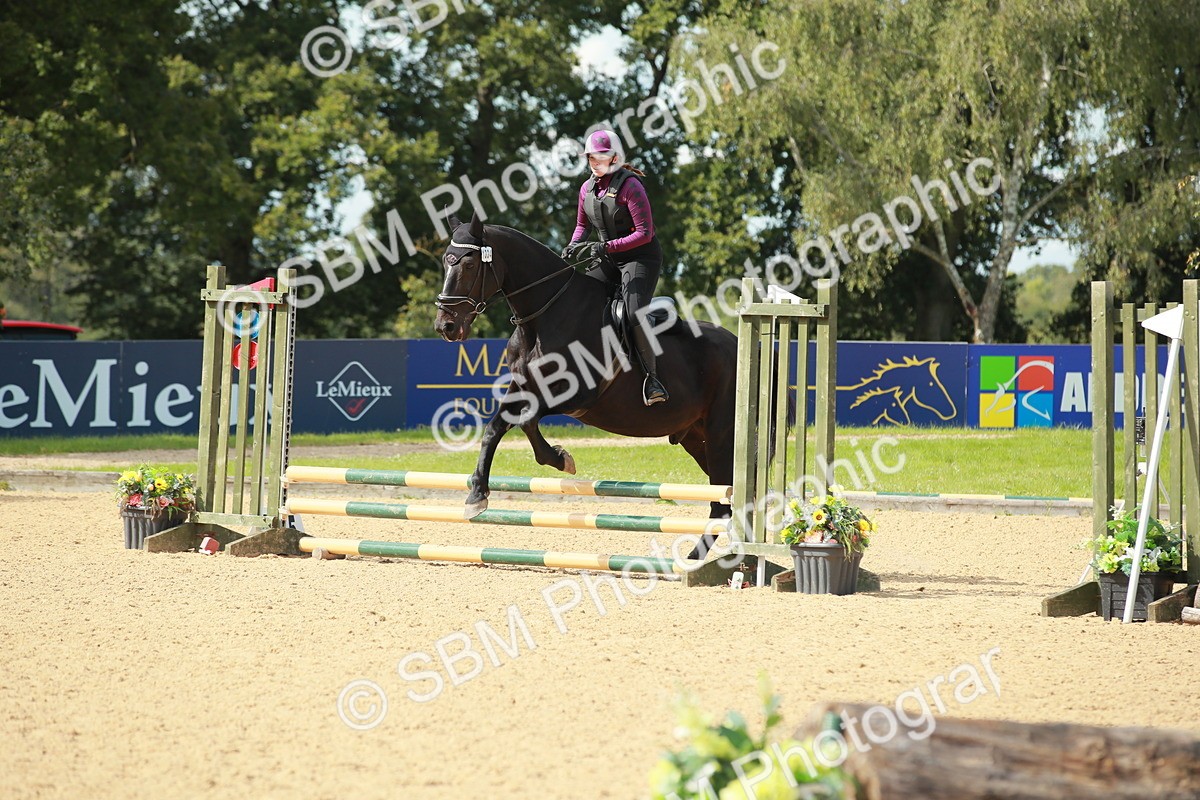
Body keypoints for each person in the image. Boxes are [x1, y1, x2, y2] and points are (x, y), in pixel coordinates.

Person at [562, 129, 668, 406]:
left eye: (600, 157)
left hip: (640, 257)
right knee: (579, 301)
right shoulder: (586, 188)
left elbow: (644, 233)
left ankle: (652, 379)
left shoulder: (631, 187)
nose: (595, 162)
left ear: (615, 158)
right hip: (606, 255)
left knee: (632, 312)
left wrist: (605, 247)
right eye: (591, 158)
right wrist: (573, 245)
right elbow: (582, 226)